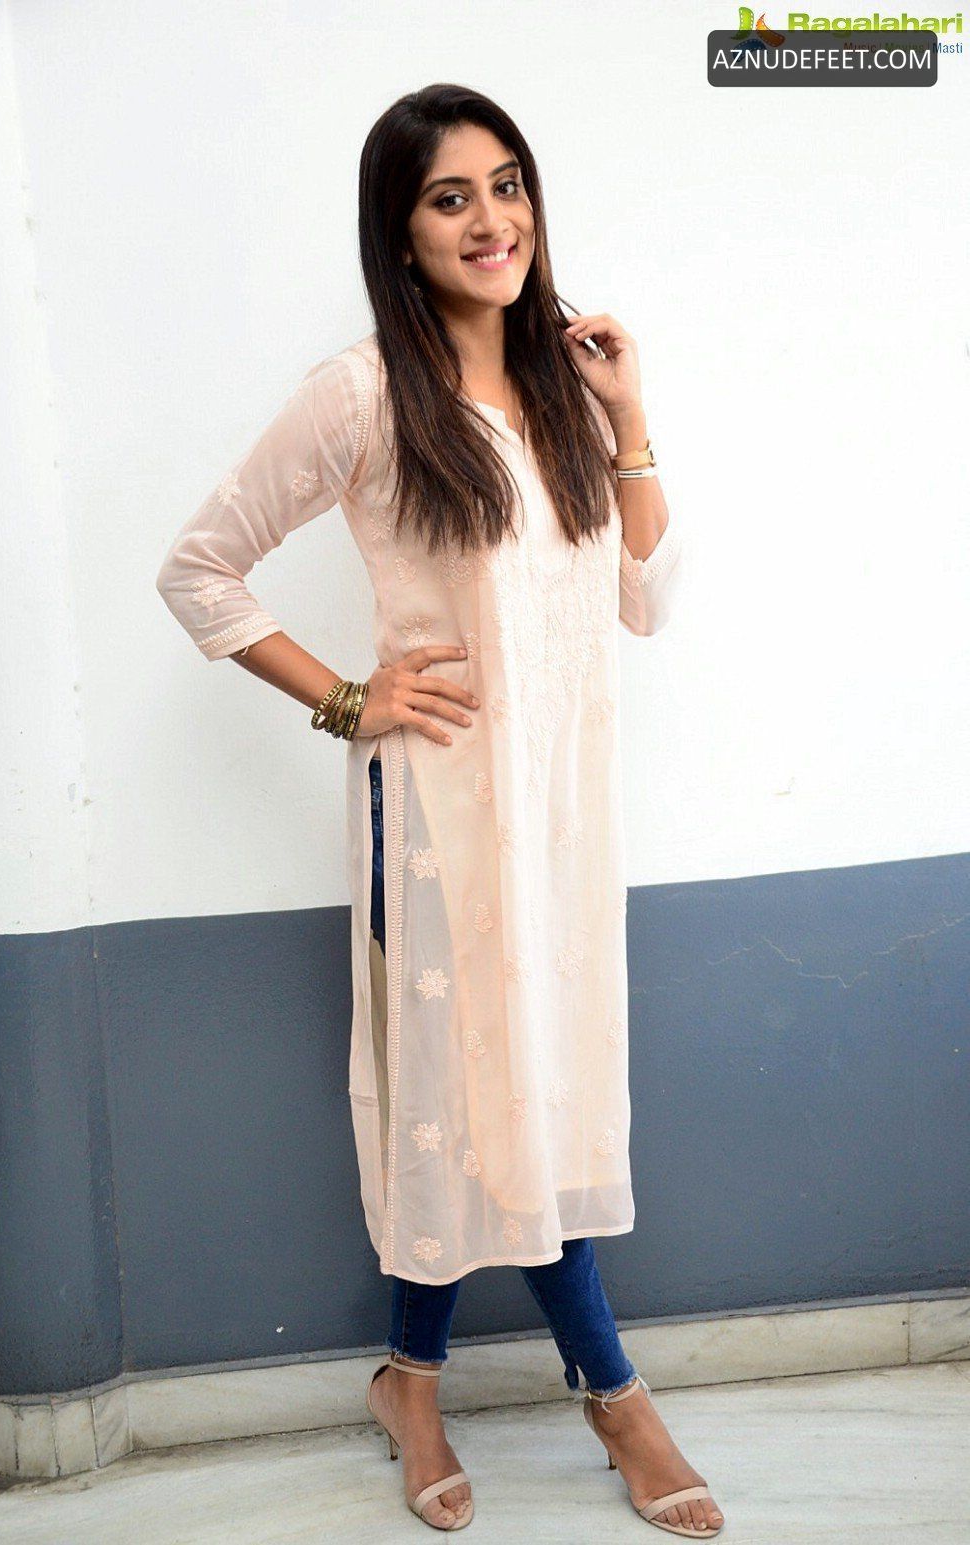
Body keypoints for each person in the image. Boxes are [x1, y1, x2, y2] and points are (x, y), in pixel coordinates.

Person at [156, 83, 722, 1539]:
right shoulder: (360, 395)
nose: (490, 220)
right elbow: (199, 569)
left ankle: (408, 1377)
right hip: (441, 815)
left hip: (562, 821)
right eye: (449, 196)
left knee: (530, 1095)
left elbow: (644, 596)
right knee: (466, 1100)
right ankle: (616, 1396)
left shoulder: (564, 382)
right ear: (400, 234)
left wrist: (630, 417)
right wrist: (349, 698)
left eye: (507, 184)